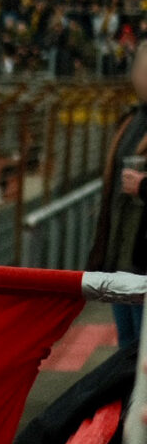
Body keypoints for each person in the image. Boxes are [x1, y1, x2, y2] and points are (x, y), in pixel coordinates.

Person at [87, 41, 147, 349]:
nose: (137, 75)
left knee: (140, 351)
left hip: (142, 263)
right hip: (121, 258)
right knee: (126, 347)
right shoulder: (131, 120)